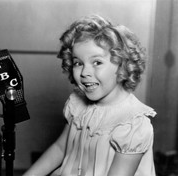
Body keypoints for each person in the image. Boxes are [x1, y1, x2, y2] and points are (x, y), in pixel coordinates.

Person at [23, 14, 157, 176]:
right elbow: (60, 148)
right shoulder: (78, 104)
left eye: (97, 62)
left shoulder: (133, 124)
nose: (85, 72)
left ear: (122, 65)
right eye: (78, 63)